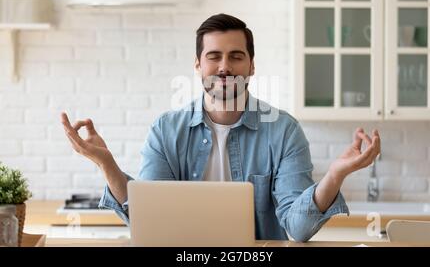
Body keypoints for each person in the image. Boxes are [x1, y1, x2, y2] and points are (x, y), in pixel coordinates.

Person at [61, 13, 381, 242]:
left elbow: (297, 229)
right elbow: (148, 221)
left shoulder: (284, 130)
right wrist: (107, 164)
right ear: (198, 64)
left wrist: (335, 174)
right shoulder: (166, 130)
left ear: (252, 65)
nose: (225, 67)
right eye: (214, 56)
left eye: (236, 56)